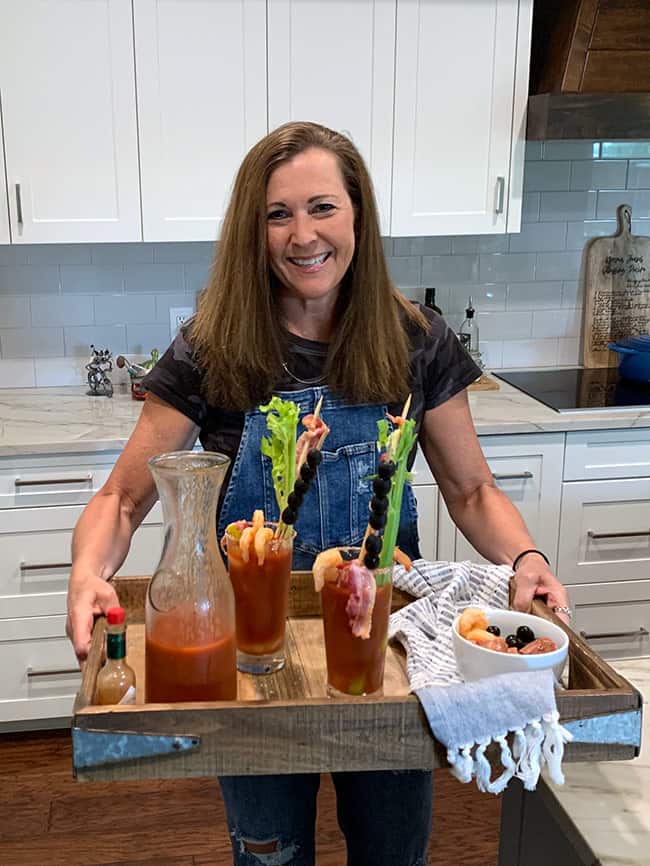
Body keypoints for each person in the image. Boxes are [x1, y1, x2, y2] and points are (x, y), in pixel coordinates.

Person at [66, 121, 571, 866]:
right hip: (255, 656)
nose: (304, 235)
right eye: (279, 214)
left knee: (391, 852)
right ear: (255, 231)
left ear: (358, 216)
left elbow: (471, 490)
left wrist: (524, 554)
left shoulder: (414, 338)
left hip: (387, 653)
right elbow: (123, 499)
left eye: (323, 207)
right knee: (270, 855)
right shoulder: (213, 346)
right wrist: (87, 572)